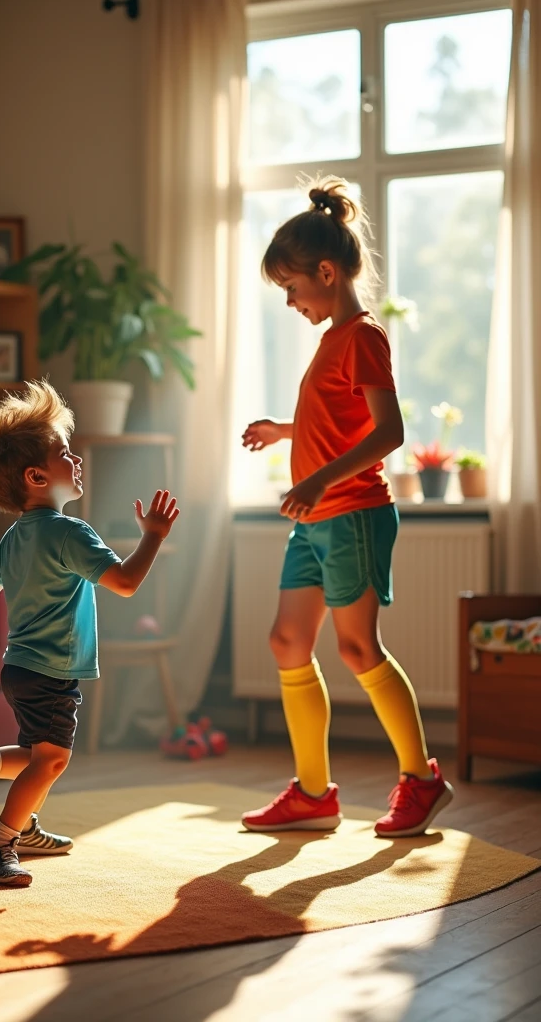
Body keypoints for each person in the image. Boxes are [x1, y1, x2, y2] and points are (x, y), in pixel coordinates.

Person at [240, 176, 454, 839]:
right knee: (286, 641)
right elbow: (338, 419)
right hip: (317, 519)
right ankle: (312, 793)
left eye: (291, 287)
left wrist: (314, 481)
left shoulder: (362, 336)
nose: (289, 300)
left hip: (353, 513)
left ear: (326, 273)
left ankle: (421, 780)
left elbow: (387, 434)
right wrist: (285, 430)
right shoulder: (332, 340)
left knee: (359, 648)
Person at [0, 380, 179, 886]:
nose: (77, 458)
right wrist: (151, 536)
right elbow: (126, 583)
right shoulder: (71, 533)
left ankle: (12, 809)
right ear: (37, 475)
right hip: (51, 670)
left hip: (19, 668)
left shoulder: (16, 536)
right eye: (66, 452)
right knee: (52, 759)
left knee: (36, 753)